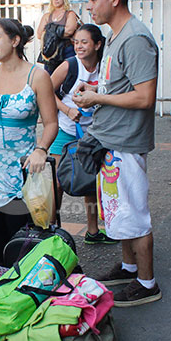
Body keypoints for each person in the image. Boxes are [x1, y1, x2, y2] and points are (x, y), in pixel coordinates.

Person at [74, 0, 160, 306]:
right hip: (111, 141)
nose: (89, 7)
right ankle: (128, 267)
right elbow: (119, 86)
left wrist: (96, 98)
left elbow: (144, 97)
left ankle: (147, 283)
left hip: (126, 143)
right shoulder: (115, 35)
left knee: (134, 214)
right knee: (118, 211)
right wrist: (94, 88)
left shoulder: (136, 38)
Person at [0, 18, 58, 266]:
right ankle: (5, 288)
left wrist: (40, 150)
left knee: (22, 233)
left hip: (21, 170)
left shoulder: (37, 76)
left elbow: (51, 123)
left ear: (15, 41)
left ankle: (27, 288)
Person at [50, 24, 117, 245]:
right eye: (76, 42)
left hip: (94, 134)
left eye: (84, 42)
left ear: (98, 44)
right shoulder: (70, 65)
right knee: (57, 181)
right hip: (66, 130)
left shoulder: (106, 66)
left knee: (90, 180)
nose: (79, 46)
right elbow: (45, 90)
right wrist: (67, 110)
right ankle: (51, 232)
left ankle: (92, 231)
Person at [36, 0, 79, 74]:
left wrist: (50, 31)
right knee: (51, 79)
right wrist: (58, 31)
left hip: (67, 50)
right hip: (51, 52)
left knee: (69, 77)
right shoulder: (47, 16)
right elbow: (40, 34)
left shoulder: (70, 14)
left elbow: (69, 31)